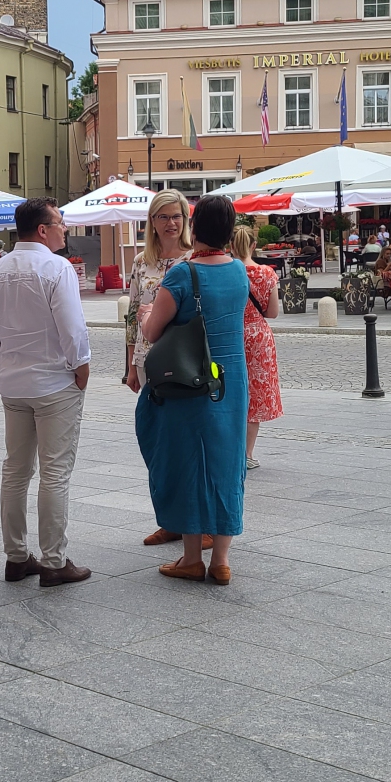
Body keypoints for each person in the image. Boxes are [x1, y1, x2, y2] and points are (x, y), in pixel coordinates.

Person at [0, 198, 93, 587]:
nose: (65, 229)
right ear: (43, 230)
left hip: (14, 383)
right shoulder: (57, 268)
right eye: (60, 223)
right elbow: (72, 328)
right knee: (54, 472)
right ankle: (54, 561)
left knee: (16, 469)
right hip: (54, 382)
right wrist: (81, 367)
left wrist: (8, 359)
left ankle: (16, 557)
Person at [134, 195, 249, 585]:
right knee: (227, 463)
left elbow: (153, 331)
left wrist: (147, 314)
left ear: (194, 227)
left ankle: (190, 559)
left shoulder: (183, 274)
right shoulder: (238, 271)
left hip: (190, 380)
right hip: (230, 381)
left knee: (187, 463)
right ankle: (221, 561)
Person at [126, 191, 202, 549]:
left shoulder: (195, 258)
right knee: (158, 447)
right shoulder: (142, 262)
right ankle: (170, 520)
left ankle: (196, 525)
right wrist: (131, 364)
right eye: (163, 217)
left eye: (177, 216)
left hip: (185, 363)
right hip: (150, 362)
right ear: (152, 222)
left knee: (187, 446)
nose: (171, 223)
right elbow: (132, 315)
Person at [231, 227, 282, 470]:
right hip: (259, 337)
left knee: (231, 391)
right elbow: (272, 312)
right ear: (254, 245)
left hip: (231, 335)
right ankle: (247, 454)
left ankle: (230, 451)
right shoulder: (266, 273)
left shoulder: (227, 272)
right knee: (255, 395)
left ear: (230, 245)